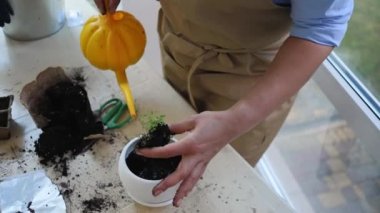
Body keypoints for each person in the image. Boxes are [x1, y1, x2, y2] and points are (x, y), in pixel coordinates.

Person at [95, 0, 354, 207]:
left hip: (250, 83)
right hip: (179, 47)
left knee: (216, 185)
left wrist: (235, 120)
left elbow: (321, 25)